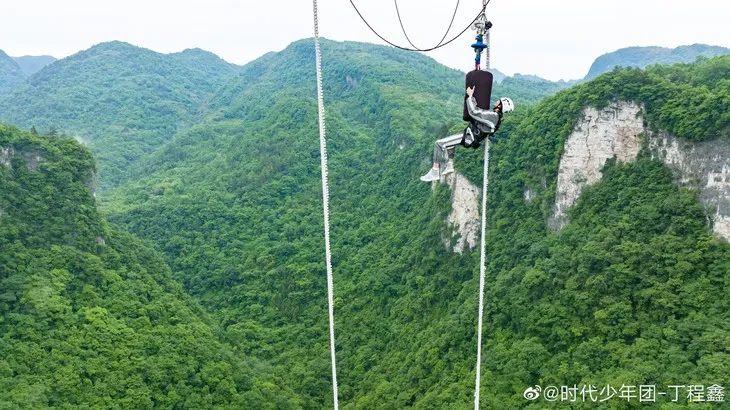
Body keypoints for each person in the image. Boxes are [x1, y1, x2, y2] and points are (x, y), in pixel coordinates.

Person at [420, 73, 513, 183]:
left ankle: (435, 171)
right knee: (450, 143)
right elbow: (480, 114)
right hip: (470, 135)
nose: (497, 101)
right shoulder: (495, 117)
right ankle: (449, 165)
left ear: (501, 105)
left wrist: (470, 96)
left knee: (439, 143)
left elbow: (474, 112)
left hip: (469, 136)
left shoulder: (494, 116)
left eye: (499, 101)